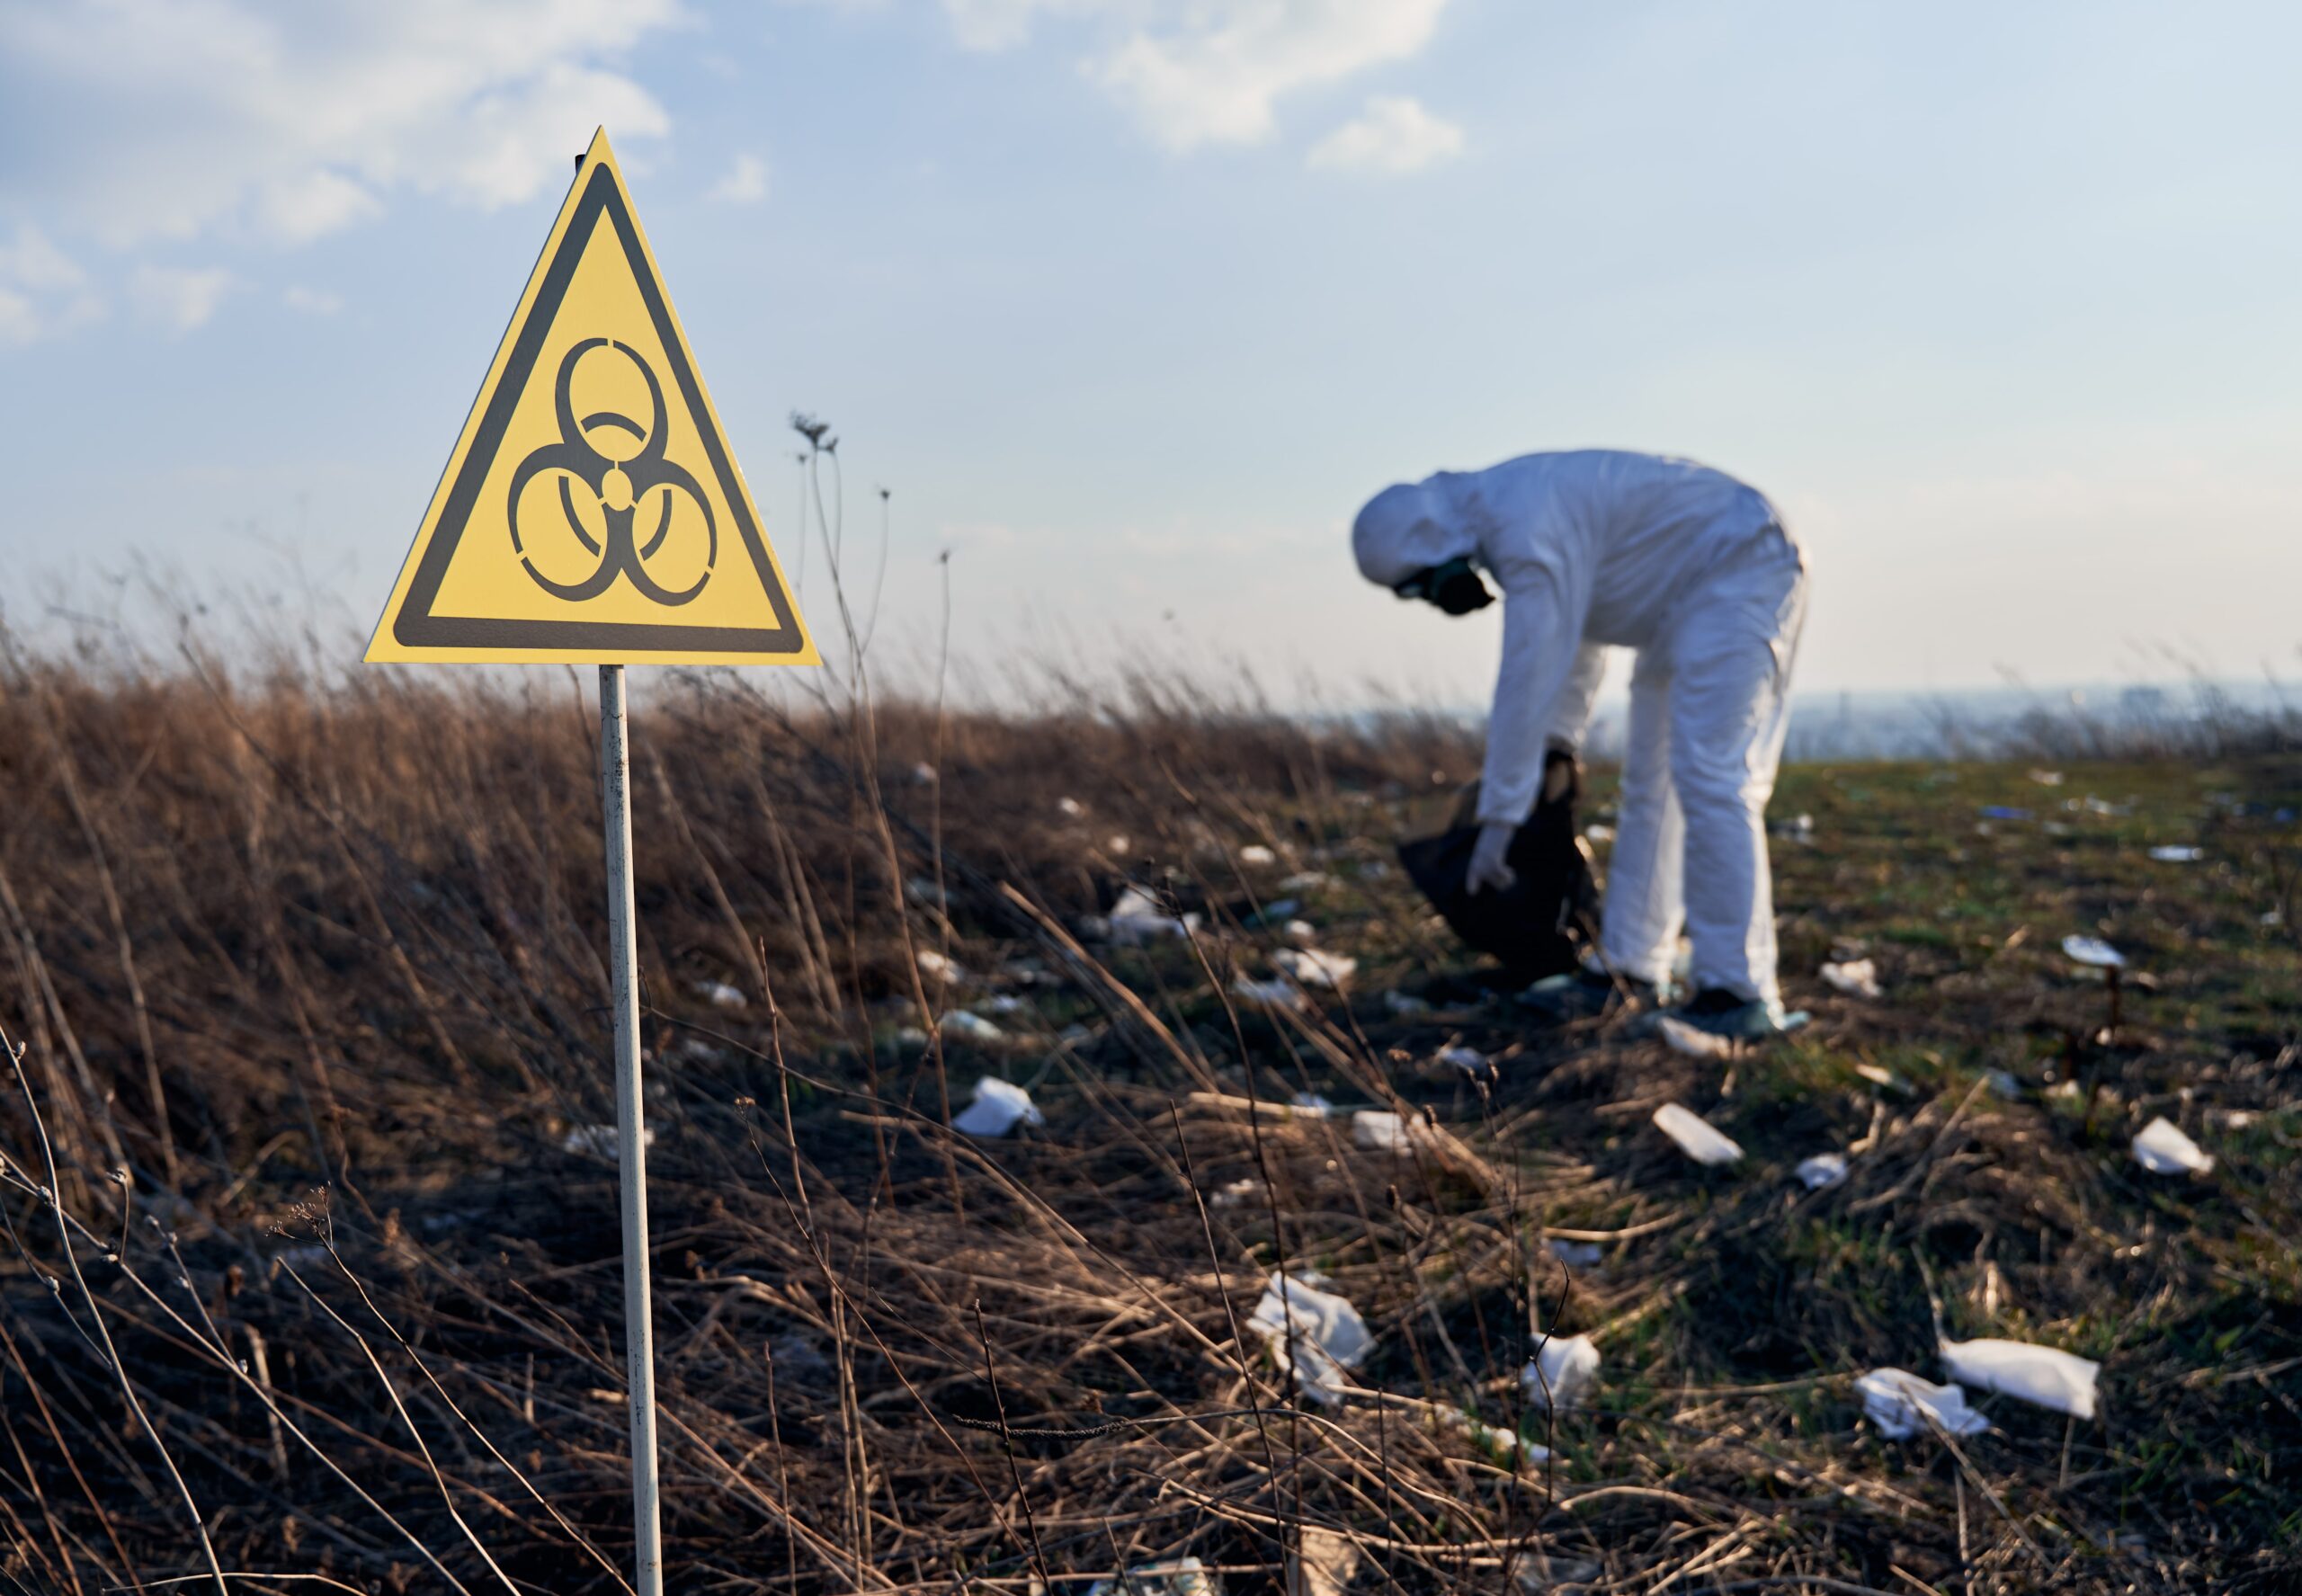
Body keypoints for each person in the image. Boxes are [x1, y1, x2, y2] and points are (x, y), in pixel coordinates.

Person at [1353, 450, 1809, 1038]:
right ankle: (1632, 966)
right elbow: (1574, 647)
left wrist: (1501, 816)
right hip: (1686, 595)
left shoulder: (1520, 523)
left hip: (1742, 561)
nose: (1428, 599)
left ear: (1423, 543)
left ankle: (1739, 991)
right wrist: (1556, 747)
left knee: (1713, 776)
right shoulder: (1508, 520)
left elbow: (1528, 671)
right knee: (1653, 784)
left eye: (1418, 586)